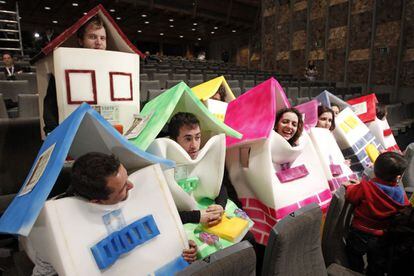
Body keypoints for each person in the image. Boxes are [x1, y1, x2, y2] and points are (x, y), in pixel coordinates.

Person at [32, 152, 198, 275]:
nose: (131, 186)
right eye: (123, 188)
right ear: (97, 202)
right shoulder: (54, 226)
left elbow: (158, 225)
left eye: (127, 178)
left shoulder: (129, 194)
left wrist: (178, 244)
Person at [344, 151, 410, 275]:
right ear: (398, 177)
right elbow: (405, 209)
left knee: (353, 253)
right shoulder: (400, 194)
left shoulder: (365, 187)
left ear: (374, 170)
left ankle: (357, 271)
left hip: (360, 232)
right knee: (377, 263)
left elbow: (351, 196)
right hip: (382, 235)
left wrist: (350, 187)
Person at [43, 15, 107, 135]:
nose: (99, 42)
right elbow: (50, 109)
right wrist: (51, 134)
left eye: (102, 38)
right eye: (92, 37)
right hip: (72, 134)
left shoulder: (114, 65)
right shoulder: (62, 66)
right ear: (80, 41)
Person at [168, 112, 226, 225]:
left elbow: (218, 184)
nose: (194, 145)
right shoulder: (165, 164)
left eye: (197, 137)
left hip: (205, 210)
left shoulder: (203, 156)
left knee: (248, 237)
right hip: (183, 220)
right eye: (188, 139)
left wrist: (220, 205)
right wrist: (196, 216)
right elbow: (162, 213)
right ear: (174, 140)